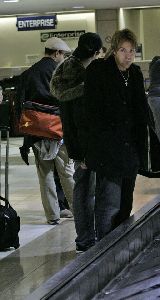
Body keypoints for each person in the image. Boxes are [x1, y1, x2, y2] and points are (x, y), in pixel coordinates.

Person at [80, 28, 160, 246]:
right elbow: (90, 113)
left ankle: (119, 245)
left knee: (125, 203)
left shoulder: (134, 73)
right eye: (123, 50)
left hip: (130, 148)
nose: (127, 55)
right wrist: (88, 151)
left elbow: (140, 110)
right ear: (114, 51)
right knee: (109, 202)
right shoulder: (98, 70)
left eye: (132, 51)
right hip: (108, 149)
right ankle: (104, 247)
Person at [50, 32, 103, 253]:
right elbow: (88, 116)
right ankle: (89, 238)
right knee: (87, 192)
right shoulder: (87, 76)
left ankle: (84, 239)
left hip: (73, 140)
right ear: (95, 52)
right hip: (88, 142)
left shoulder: (63, 70)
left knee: (82, 190)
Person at [19, 37, 75, 225]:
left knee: (45, 174)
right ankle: (78, 209)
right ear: (57, 53)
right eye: (63, 55)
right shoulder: (59, 72)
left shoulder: (30, 72)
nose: (64, 58)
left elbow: (21, 102)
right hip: (58, 129)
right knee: (67, 172)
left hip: (36, 129)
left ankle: (52, 215)